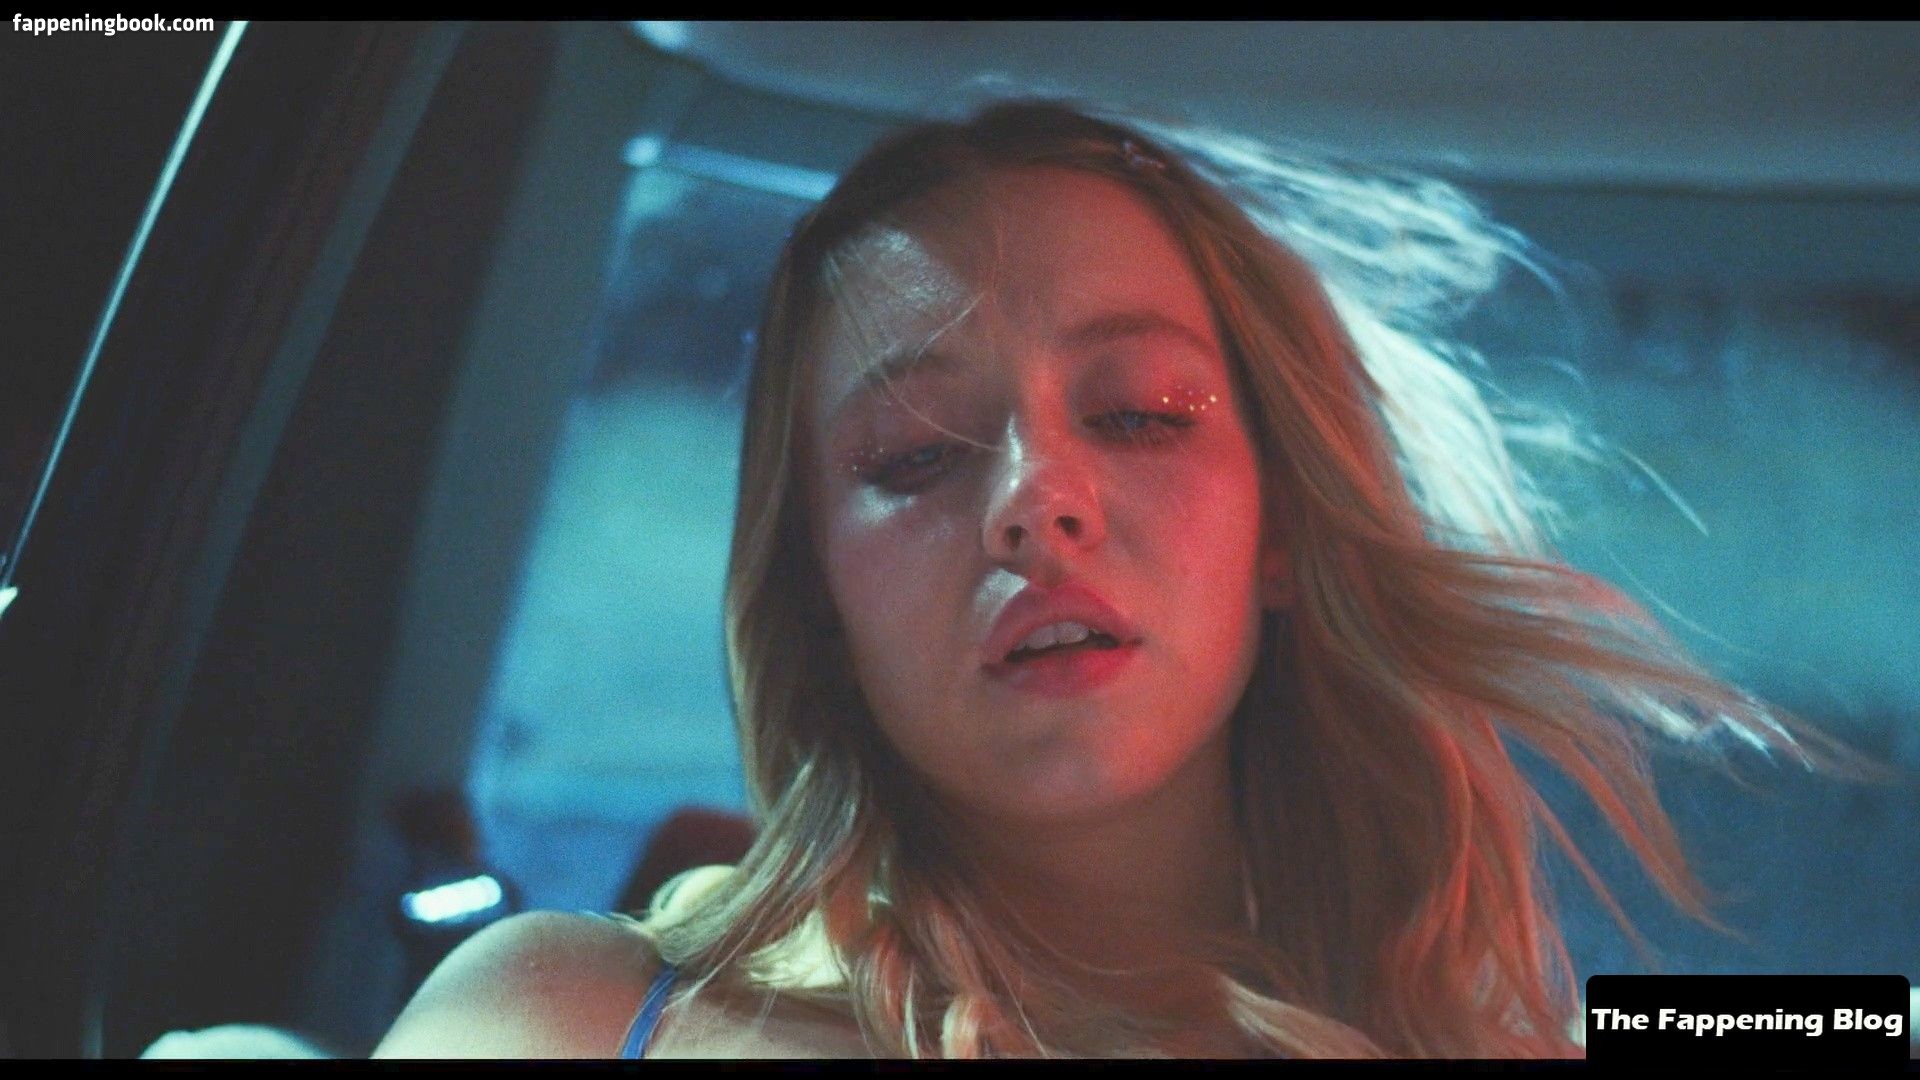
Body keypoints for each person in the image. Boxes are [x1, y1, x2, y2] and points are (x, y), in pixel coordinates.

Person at [372, 99, 1870, 1059]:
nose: (1038, 502)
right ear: (817, 596)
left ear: (1281, 531)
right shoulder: (562, 1015)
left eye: (1144, 415)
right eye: (916, 456)